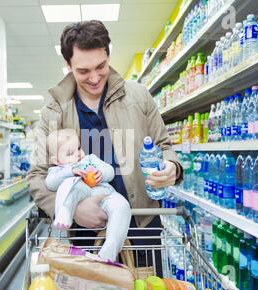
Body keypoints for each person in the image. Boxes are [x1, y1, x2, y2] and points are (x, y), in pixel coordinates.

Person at [27, 20, 183, 274]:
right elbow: (36, 177)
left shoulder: (138, 96)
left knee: (147, 289)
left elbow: (164, 145)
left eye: (101, 66)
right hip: (86, 233)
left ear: (109, 55)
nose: (95, 77)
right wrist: (73, 208)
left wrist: (171, 167)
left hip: (142, 226)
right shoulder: (53, 112)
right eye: (83, 71)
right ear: (68, 66)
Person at [45, 128, 131, 261]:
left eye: (78, 148)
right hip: (80, 194)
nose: (78, 154)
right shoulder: (59, 170)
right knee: (70, 187)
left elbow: (110, 170)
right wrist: (71, 171)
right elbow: (50, 183)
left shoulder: (90, 159)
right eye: (70, 153)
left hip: (105, 194)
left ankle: (109, 250)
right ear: (56, 160)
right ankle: (65, 213)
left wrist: (101, 174)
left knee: (122, 205)